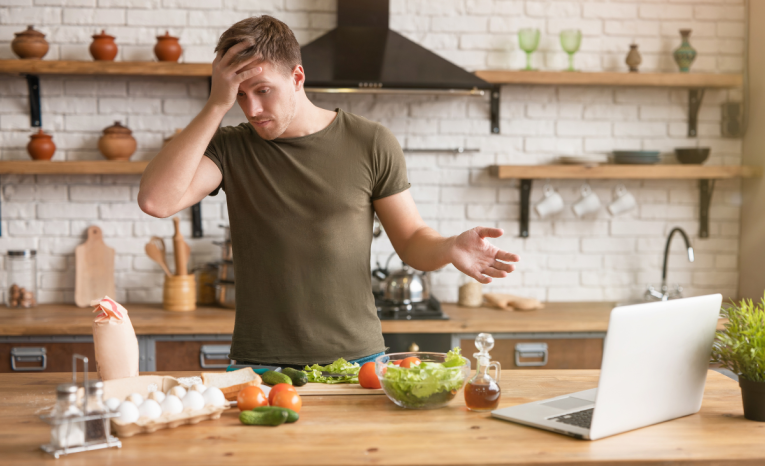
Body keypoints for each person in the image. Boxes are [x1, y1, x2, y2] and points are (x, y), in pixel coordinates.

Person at [138, 16, 519, 369]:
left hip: (359, 359)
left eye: (263, 90)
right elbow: (157, 201)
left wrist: (450, 247)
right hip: (260, 362)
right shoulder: (230, 147)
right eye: (240, 95)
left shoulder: (370, 141)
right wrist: (217, 102)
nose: (251, 109)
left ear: (298, 77)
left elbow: (412, 239)